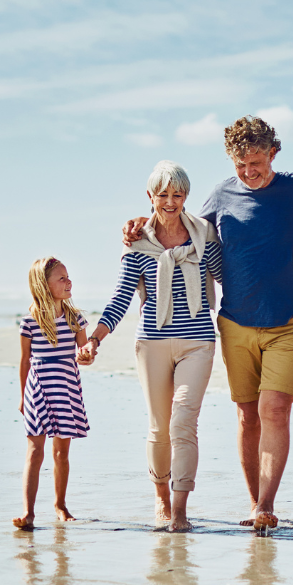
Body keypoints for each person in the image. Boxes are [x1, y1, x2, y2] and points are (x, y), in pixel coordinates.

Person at [123, 116, 293, 530]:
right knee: (248, 415)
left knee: (275, 408)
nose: (248, 172)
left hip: (292, 320)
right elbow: (178, 227)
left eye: (256, 162)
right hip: (236, 323)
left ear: (274, 154)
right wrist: (138, 225)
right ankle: (253, 504)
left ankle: (266, 504)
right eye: (240, 164)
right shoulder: (221, 197)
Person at [82, 161, 222, 532]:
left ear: (186, 196)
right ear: (150, 197)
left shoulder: (205, 235)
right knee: (160, 427)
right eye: (163, 195)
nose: (171, 202)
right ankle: (160, 500)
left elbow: (231, 277)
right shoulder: (139, 242)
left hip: (198, 342)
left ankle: (179, 509)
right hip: (153, 343)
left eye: (178, 195)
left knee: (183, 422)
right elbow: (120, 299)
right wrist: (94, 339)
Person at [14, 257, 95, 530]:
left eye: (68, 276)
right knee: (35, 452)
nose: (69, 281)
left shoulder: (75, 318)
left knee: (61, 453)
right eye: (61, 278)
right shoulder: (30, 321)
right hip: (37, 389)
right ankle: (28, 512)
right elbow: (24, 361)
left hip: (66, 388)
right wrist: (23, 396)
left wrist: (87, 356)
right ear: (43, 285)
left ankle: (60, 504)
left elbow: (84, 352)